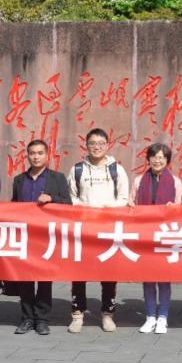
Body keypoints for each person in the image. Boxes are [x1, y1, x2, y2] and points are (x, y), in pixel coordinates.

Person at [68, 128, 130, 333]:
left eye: (101, 143)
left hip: (109, 229)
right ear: (86, 145)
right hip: (83, 228)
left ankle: (107, 314)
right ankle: (77, 314)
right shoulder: (77, 169)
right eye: (92, 143)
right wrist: (84, 208)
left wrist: (108, 209)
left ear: (107, 145)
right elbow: (71, 197)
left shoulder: (117, 169)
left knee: (108, 273)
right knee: (79, 273)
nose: (97, 147)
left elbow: (124, 198)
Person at [11, 139, 71, 336]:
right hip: (25, 236)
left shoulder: (57, 178)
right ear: (27, 156)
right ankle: (27, 318)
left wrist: (52, 199)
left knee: (45, 279)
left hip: (47, 237)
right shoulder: (19, 180)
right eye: (32, 153)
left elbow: (68, 204)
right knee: (25, 279)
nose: (36, 157)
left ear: (47, 155)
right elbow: (13, 205)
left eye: (40, 153)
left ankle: (42, 319)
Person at [130, 142, 182, 335]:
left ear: (167, 160)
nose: (157, 160)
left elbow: (180, 209)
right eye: (154, 157)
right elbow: (132, 204)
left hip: (165, 235)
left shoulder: (175, 182)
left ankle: (163, 317)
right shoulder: (139, 181)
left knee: (164, 279)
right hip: (145, 235)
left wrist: (174, 209)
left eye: (161, 157)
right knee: (149, 279)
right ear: (148, 159)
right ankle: (150, 316)